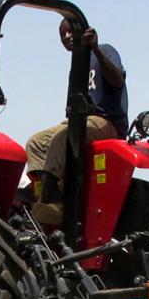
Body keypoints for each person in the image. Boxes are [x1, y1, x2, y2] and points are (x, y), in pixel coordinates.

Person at [23, 20, 128, 225]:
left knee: (63, 136)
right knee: (35, 142)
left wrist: (95, 49)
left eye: (71, 31)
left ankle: (48, 205)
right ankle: (48, 196)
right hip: (80, 120)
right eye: (63, 34)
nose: (68, 37)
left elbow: (117, 80)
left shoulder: (105, 51)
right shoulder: (76, 67)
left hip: (106, 122)